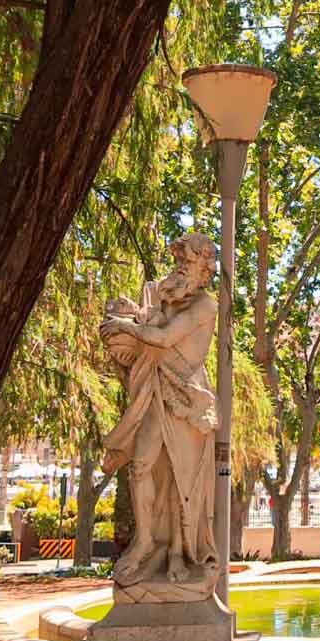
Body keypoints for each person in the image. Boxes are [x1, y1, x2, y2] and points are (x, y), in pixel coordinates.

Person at [99, 233, 219, 598]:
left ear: (204, 267)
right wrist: (129, 319)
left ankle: (181, 555)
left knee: (180, 482)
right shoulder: (167, 296)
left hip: (186, 398)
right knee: (142, 464)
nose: (180, 267)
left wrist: (127, 327)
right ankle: (146, 541)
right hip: (156, 390)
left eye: (187, 261)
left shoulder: (205, 306)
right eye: (178, 260)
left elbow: (165, 339)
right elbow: (148, 332)